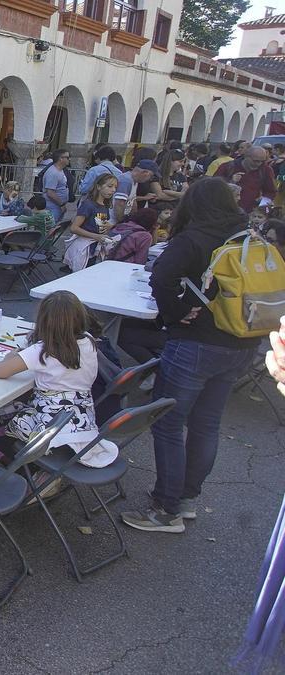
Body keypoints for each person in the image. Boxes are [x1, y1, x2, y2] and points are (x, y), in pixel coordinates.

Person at [121, 178, 261, 533]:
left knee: (168, 423)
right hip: (241, 342)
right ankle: (184, 498)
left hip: (197, 343)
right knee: (206, 424)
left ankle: (167, 509)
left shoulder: (193, 238)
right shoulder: (246, 236)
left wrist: (176, 311)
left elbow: (161, 276)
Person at [0, 291, 116, 469]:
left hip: (50, 429)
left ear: (43, 321)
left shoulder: (43, 350)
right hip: (82, 424)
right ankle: (40, 469)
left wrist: (11, 355)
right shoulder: (88, 340)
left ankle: (33, 474)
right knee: (18, 404)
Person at [64, 173, 118, 272]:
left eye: (115, 187)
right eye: (110, 186)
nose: (113, 190)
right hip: (84, 248)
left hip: (95, 249)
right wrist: (96, 236)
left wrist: (108, 228)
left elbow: (101, 227)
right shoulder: (88, 205)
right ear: (98, 186)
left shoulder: (105, 206)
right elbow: (74, 228)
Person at [216, 146, 278, 213]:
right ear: (246, 156)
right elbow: (213, 186)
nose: (258, 164)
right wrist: (230, 181)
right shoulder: (228, 167)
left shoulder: (266, 170)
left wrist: (263, 202)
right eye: (255, 161)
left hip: (250, 212)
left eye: (262, 161)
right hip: (225, 211)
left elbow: (270, 192)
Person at [41, 148, 71, 225]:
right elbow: (50, 193)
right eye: (67, 157)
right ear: (60, 159)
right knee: (49, 229)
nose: (69, 159)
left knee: (54, 228)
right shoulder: (53, 173)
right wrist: (61, 204)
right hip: (52, 206)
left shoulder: (60, 170)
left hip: (57, 206)